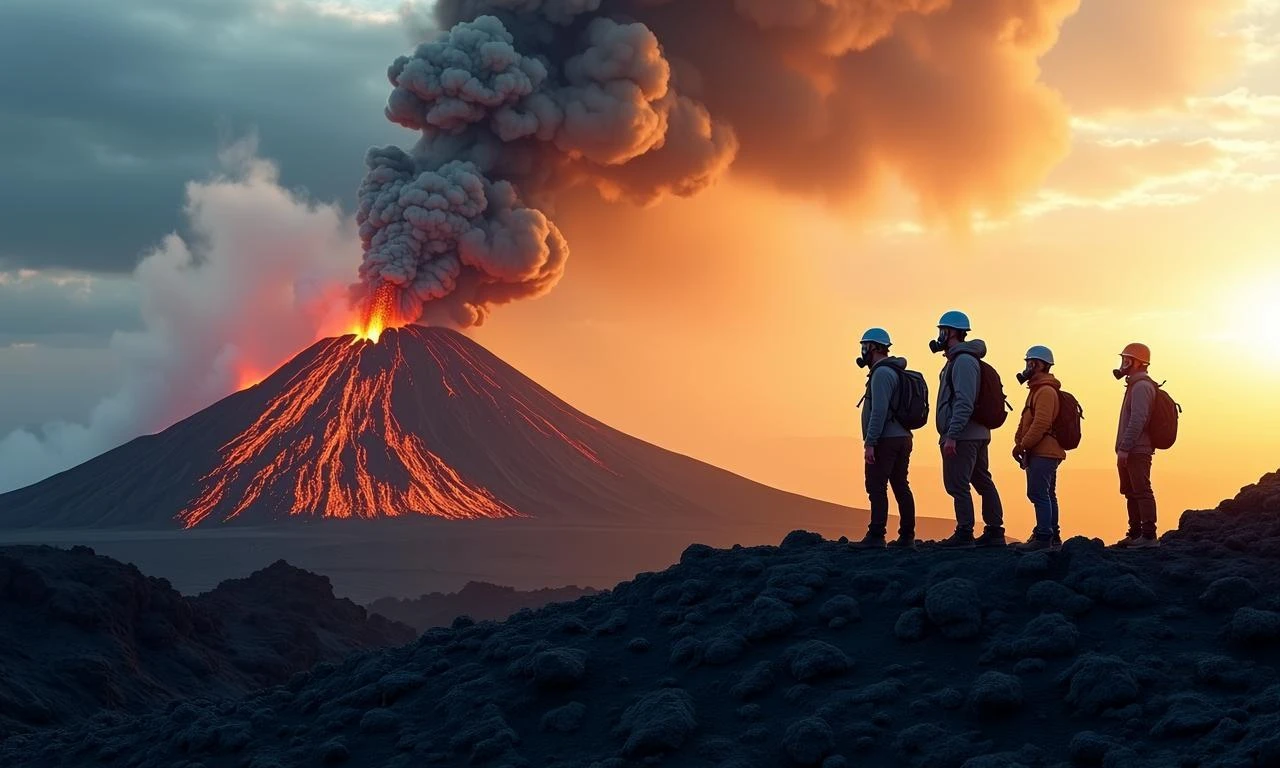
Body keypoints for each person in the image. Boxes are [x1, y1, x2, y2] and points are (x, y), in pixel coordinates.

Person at [931, 310, 1005, 548]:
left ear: (952, 332)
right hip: (975, 433)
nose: (940, 336)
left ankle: (965, 533)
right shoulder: (961, 360)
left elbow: (964, 401)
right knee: (982, 480)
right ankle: (994, 531)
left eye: (942, 331)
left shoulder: (962, 361)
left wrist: (952, 435)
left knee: (957, 483)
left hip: (964, 435)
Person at [853, 328, 917, 549]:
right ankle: (907, 536)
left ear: (874, 347)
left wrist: (870, 442)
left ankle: (876, 535)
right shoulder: (895, 371)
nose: (863, 352)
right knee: (901, 485)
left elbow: (879, 411)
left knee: (876, 485)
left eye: (865, 346)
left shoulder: (881, 374)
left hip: (886, 439)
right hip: (903, 437)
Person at [1012, 346, 1065, 552]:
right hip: (1043, 451)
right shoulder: (1038, 390)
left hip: (1043, 452)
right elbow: (1027, 420)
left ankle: (1044, 537)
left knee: (1038, 493)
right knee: (1048, 494)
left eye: (1031, 363)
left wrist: (1023, 445)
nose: (1027, 366)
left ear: (1041, 365)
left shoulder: (1045, 391)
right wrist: (1019, 442)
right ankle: (1052, 535)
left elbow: (1041, 423)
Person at [1114, 343, 1159, 548]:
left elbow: (1138, 420)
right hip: (1131, 448)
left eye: (1127, 360)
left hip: (1137, 449)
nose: (1123, 364)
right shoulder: (1135, 385)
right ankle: (1135, 534)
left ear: (1138, 363)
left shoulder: (1141, 387)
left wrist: (1125, 447)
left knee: (1141, 490)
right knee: (1131, 491)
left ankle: (1148, 536)